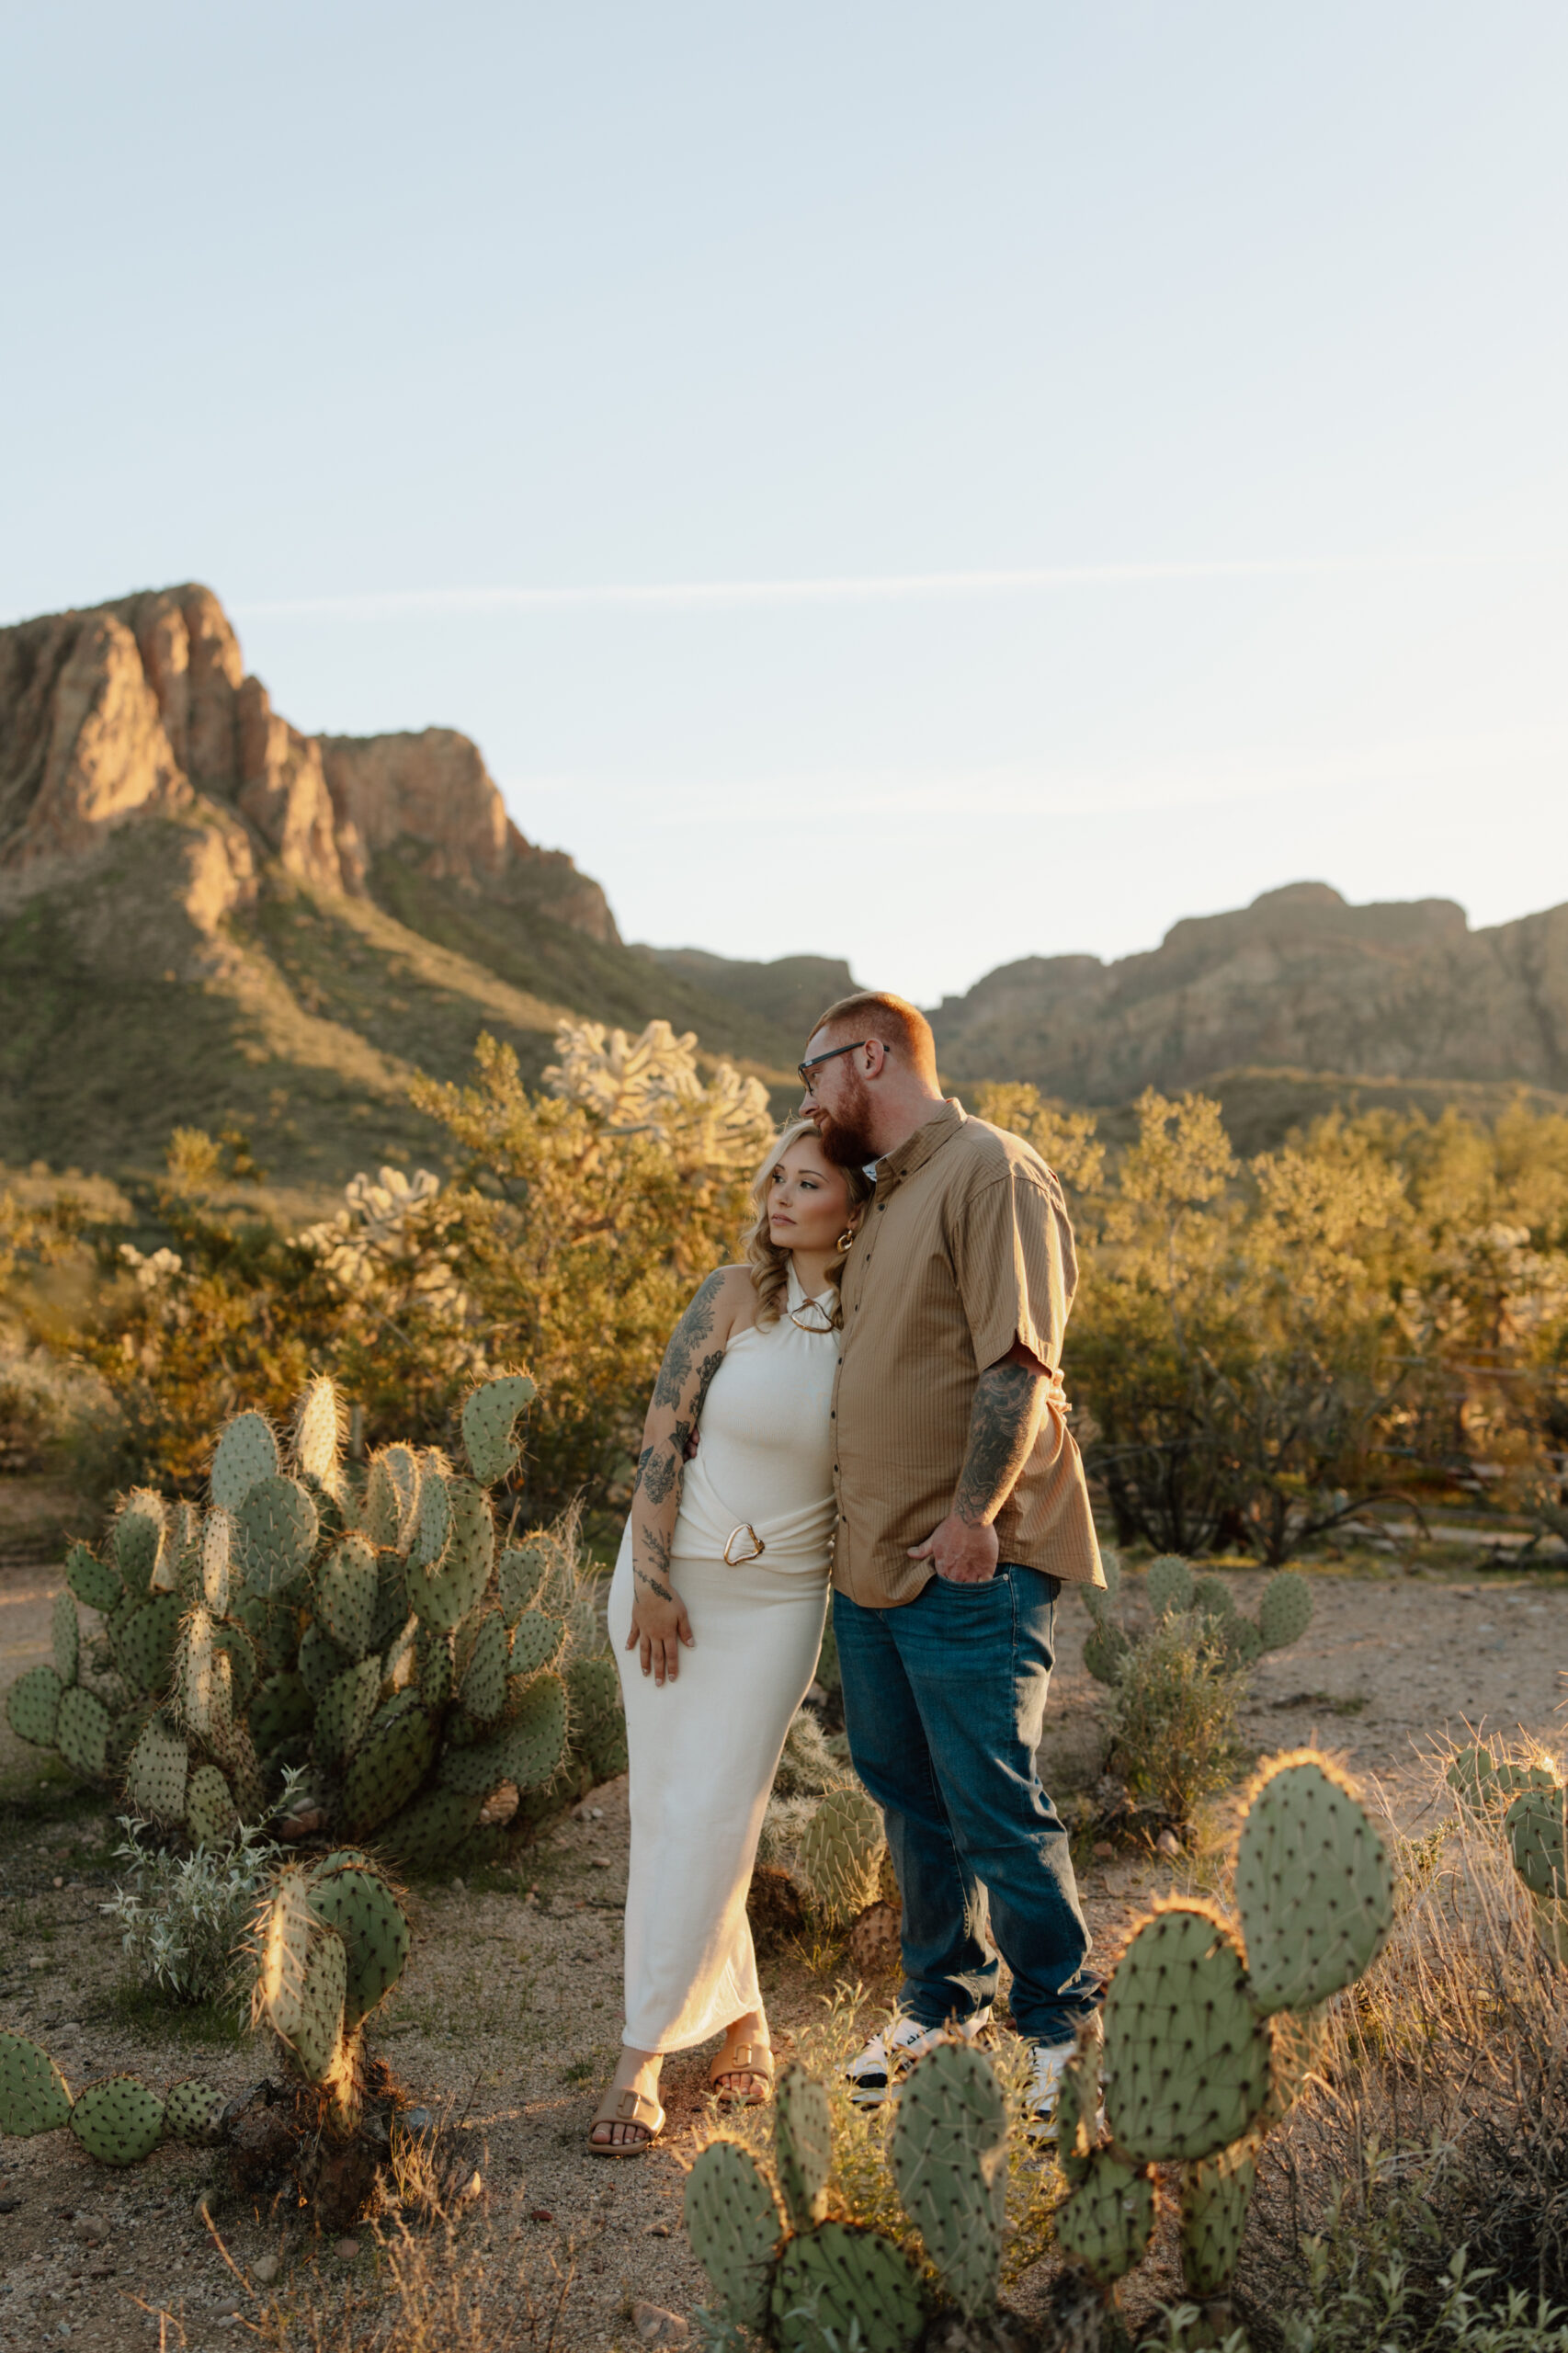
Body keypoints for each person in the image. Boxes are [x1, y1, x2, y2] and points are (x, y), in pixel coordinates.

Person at [797, 990, 1104, 2133]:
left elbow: (1017, 1363)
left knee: (990, 1802)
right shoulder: (886, 1196)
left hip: (969, 1559)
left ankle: (1058, 2023)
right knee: (908, 1796)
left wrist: (975, 1514)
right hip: (874, 1565)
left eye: (811, 1073)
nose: (807, 1100)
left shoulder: (990, 1171)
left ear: (868, 1055)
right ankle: (944, 1995)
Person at [590, 1121, 873, 2154]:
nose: (781, 1197)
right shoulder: (728, 1295)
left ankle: (652, 2046)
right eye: (776, 1179)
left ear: (854, 1205)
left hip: (782, 1603)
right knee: (675, 1814)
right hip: (671, 1585)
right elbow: (664, 1434)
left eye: (808, 1182)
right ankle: (705, 2033)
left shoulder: (877, 1316)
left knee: (719, 1810)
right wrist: (654, 1581)